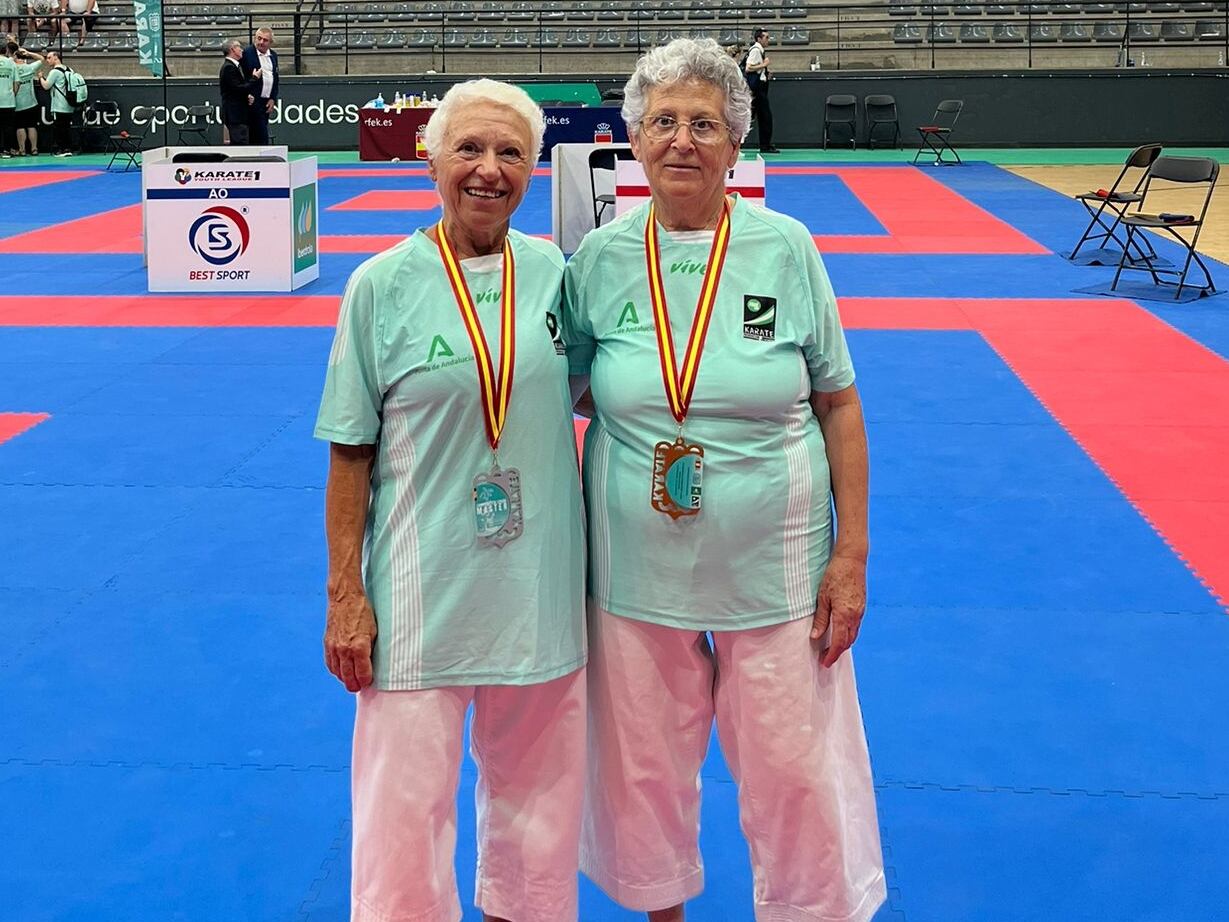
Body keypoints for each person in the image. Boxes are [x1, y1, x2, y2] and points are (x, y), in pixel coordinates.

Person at [564, 38, 885, 922]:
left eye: (703, 124)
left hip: (776, 565)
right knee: (641, 770)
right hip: (632, 567)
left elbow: (840, 407)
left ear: (735, 144)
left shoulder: (786, 248)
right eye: (661, 121)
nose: (681, 141)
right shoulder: (596, 260)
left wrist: (850, 558)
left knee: (793, 772)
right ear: (632, 136)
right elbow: (552, 394)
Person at [314, 78, 586, 922]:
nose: (488, 170)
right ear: (429, 157)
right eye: (468, 148)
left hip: (538, 590)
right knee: (402, 814)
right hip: (417, 593)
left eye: (511, 153)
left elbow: (611, 394)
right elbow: (350, 450)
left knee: (540, 813)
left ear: (533, 170)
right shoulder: (381, 286)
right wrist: (345, 594)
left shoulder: (554, 273)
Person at [744, 27, 779, 154]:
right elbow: (749, 68)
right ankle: (765, 145)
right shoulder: (756, 50)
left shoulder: (759, 50)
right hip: (758, 90)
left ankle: (765, 144)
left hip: (760, 88)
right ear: (759, 38)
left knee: (757, 117)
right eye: (766, 37)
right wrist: (764, 65)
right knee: (764, 117)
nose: (768, 40)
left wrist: (765, 72)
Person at [241, 26, 278, 144]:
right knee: (260, 136)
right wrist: (246, 94)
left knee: (260, 133)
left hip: (266, 102)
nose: (261, 42)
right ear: (254, 38)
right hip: (251, 101)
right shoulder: (246, 54)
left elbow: (275, 78)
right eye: (259, 38)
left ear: (271, 42)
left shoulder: (273, 55)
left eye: (265, 40)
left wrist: (273, 98)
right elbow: (240, 77)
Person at [218, 39, 257, 145]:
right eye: (238, 47)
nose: (241, 50)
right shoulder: (229, 68)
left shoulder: (234, 67)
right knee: (240, 142)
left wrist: (246, 96)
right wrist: (254, 78)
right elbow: (238, 89)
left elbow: (236, 89)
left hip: (238, 113)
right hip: (235, 114)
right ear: (232, 49)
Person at [11, 42, 46, 155]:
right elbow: (42, 58)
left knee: (20, 126)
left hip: (17, 103)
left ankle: (22, 150)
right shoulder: (30, 67)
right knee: (32, 125)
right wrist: (29, 53)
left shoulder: (12, 68)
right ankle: (34, 149)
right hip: (31, 102)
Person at [38, 49, 73, 156]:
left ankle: (62, 149)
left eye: (49, 58)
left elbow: (46, 86)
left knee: (59, 128)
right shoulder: (69, 69)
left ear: (56, 58)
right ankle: (67, 148)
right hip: (69, 104)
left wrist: (40, 77)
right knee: (66, 128)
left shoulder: (54, 72)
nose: (47, 60)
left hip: (59, 105)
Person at [0, 42, 14, 158]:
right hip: (8, 100)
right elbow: (17, 82)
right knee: (8, 127)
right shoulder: (10, 62)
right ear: (6, 51)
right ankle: (6, 150)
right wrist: (12, 93)